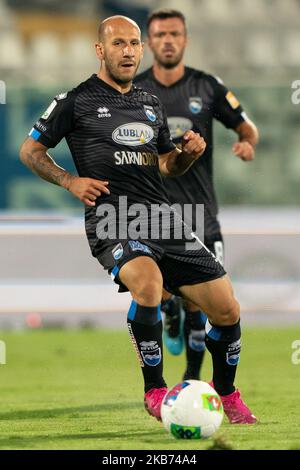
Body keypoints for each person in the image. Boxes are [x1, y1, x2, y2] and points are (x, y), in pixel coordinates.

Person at [20, 15, 257, 424]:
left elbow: (166, 164)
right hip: (113, 217)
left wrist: (187, 155)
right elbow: (30, 151)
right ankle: (155, 389)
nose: (128, 51)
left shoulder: (150, 103)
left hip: (162, 217)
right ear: (100, 50)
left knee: (227, 308)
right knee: (148, 285)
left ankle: (227, 394)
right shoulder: (74, 101)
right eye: (118, 44)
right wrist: (69, 181)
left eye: (133, 44)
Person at [135, 9, 259, 382]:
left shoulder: (207, 86)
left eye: (174, 34)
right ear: (149, 43)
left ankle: (191, 380)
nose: (168, 40)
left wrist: (247, 142)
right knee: (157, 294)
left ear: (185, 39)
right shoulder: (135, 91)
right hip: (151, 212)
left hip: (200, 212)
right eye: (160, 35)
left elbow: (246, 126)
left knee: (202, 302)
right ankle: (169, 312)